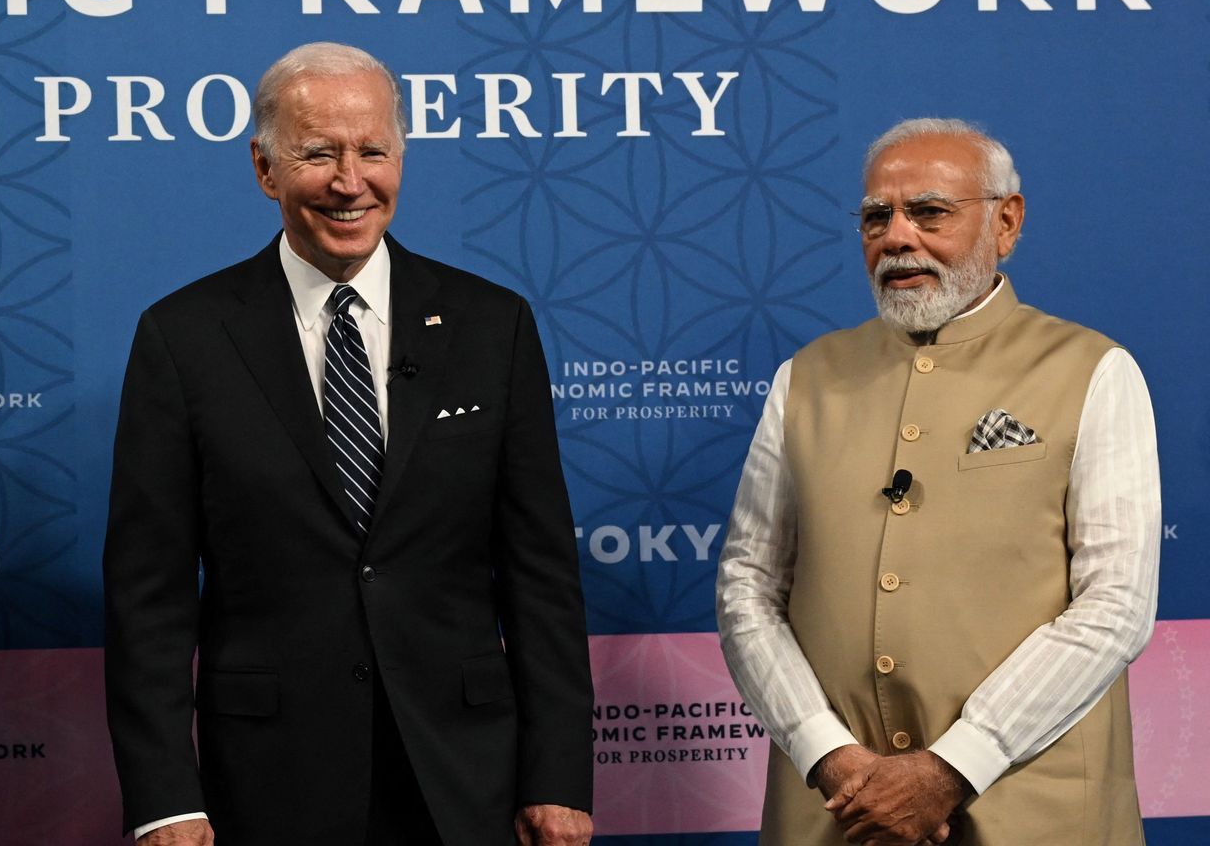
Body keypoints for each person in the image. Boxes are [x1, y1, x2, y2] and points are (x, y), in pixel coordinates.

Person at [103, 42, 595, 846]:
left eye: (372, 151)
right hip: (269, 781)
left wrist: (558, 776)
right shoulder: (184, 338)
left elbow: (541, 574)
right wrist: (166, 798)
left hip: (465, 776)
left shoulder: (491, 326)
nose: (349, 181)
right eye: (318, 154)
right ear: (265, 169)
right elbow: (146, 595)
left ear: (401, 158)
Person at [716, 118, 1160, 845]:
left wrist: (953, 767)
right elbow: (748, 586)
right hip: (836, 812)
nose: (897, 238)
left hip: (1033, 809)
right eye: (876, 218)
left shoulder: (1092, 370)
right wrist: (826, 753)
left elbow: (1116, 606)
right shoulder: (807, 378)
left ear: (1005, 222)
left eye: (929, 212)